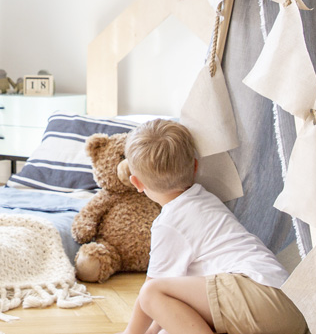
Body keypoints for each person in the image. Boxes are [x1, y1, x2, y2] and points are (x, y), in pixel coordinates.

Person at [119, 119, 306, 334]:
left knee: (150, 292)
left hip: (256, 296)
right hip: (289, 305)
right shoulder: (206, 199)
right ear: (196, 166)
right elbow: (174, 304)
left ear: (137, 183)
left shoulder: (169, 223)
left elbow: (151, 296)